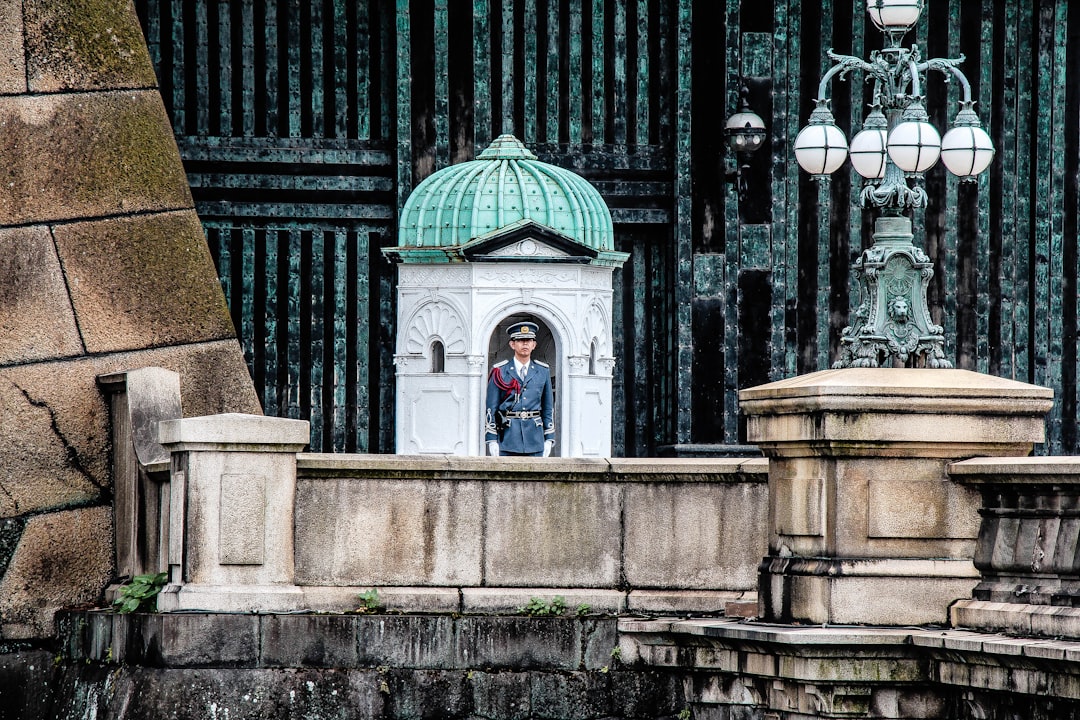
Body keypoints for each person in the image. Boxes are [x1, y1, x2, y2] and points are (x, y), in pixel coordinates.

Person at [485, 321, 555, 457]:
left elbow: (548, 408)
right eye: (520, 340)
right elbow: (491, 408)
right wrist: (492, 439)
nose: (525, 344)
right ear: (512, 344)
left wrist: (549, 438)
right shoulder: (500, 371)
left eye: (529, 340)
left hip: (535, 439)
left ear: (534, 345)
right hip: (508, 438)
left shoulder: (542, 371)